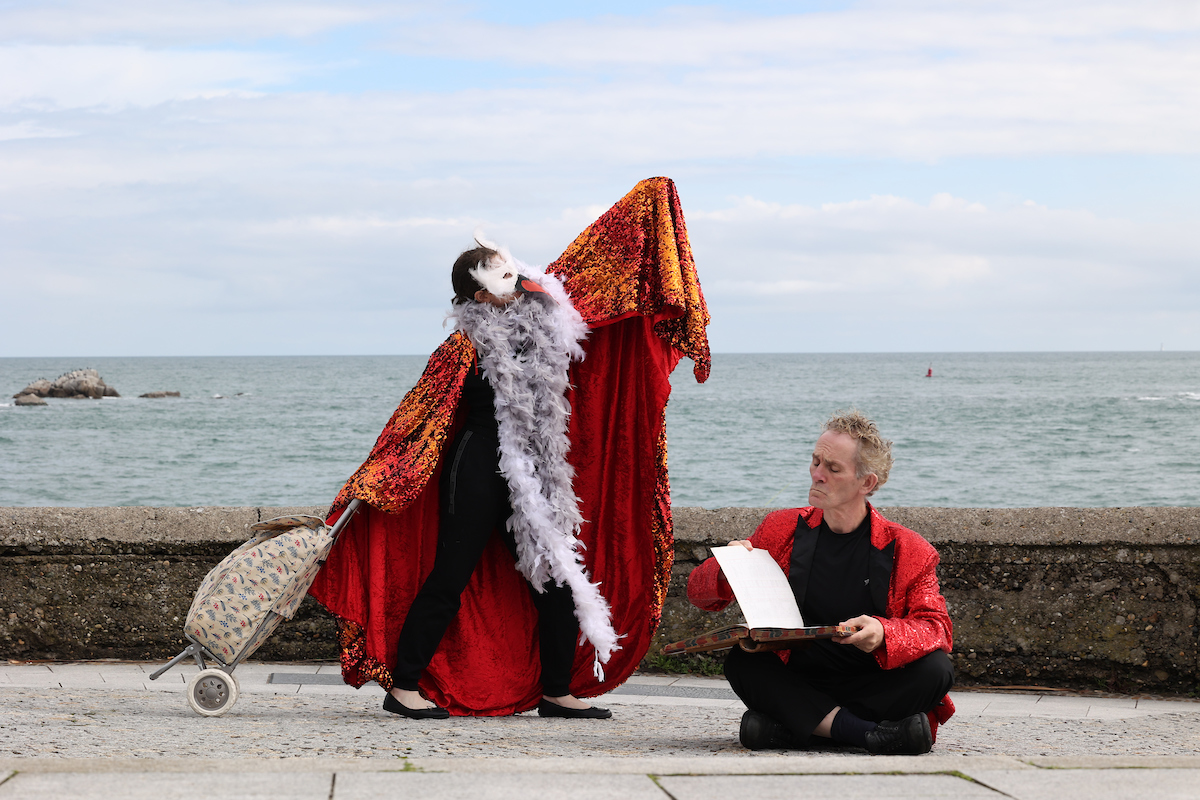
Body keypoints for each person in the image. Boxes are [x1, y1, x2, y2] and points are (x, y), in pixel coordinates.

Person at [308, 177, 711, 718]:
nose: (516, 275)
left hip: (534, 467)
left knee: (557, 574)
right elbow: (417, 419)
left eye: (512, 265)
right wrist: (379, 477)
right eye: (502, 274)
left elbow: (584, 306)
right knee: (451, 575)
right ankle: (403, 686)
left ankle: (555, 691)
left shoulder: (537, 325)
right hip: (477, 466)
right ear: (479, 296)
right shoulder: (462, 345)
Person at [687, 410, 955, 754]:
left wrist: (884, 633)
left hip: (871, 679)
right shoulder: (781, 528)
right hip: (799, 676)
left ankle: (795, 728)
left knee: (936, 670)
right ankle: (868, 733)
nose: (817, 474)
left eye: (833, 468)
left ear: (867, 483)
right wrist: (726, 568)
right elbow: (699, 595)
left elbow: (936, 628)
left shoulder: (909, 549)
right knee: (744, 661)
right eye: (816, 461)